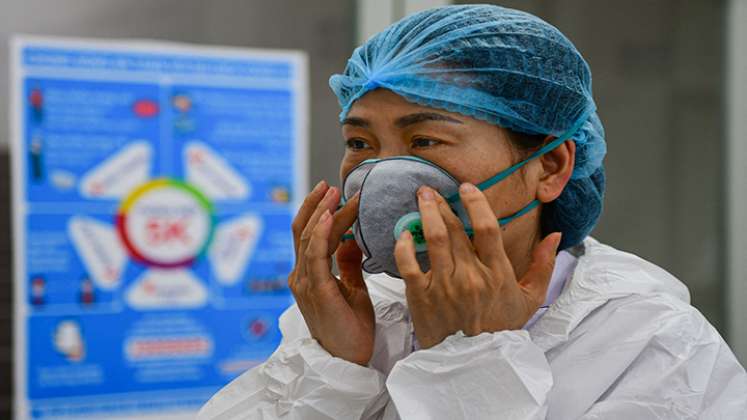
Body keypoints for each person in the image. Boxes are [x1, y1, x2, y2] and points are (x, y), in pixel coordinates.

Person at [199, 5, 747, 419]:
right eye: (361, 143)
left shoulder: (649, 342)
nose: (382, 175)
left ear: (550, 166)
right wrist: (333, 366)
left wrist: (470, 362)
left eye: (426, 140)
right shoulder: (366, 314)